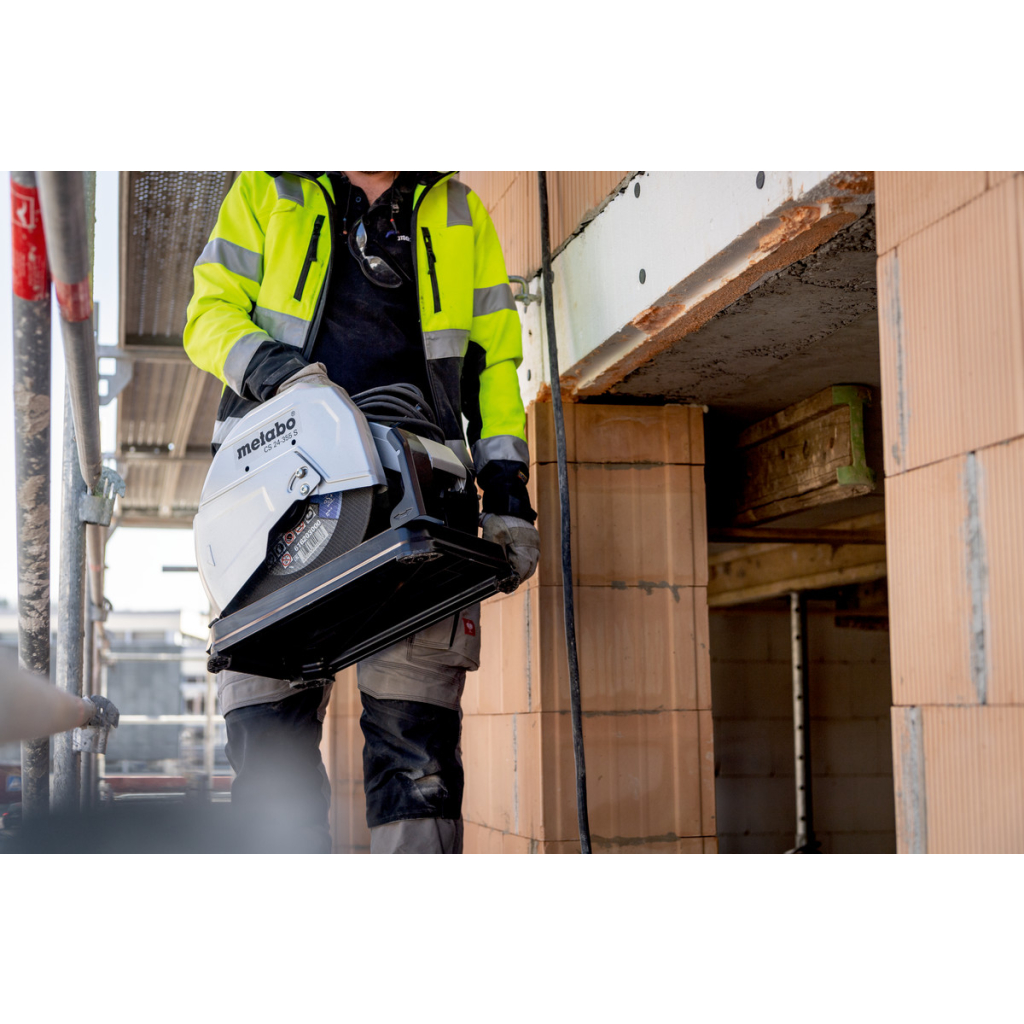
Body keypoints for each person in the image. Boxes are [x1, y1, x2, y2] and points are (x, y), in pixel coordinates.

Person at [184, 172, 539, 853]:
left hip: (418, 502)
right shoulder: (268, 187)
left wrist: (508, 494)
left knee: (417, 764)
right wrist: (280, 374)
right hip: (278, 505)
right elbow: (208, 315)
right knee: (270, 757)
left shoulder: (459, 210)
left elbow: (494, 367)